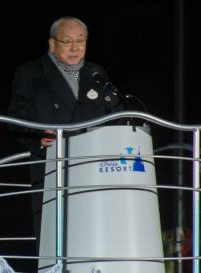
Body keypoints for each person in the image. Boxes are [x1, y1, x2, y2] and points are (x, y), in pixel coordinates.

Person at [7, 16, 122, 243]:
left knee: (93, 235)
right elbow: (17, 118)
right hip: (52, 166)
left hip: (93, 168)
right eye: (67, 41)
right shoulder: (31, 73)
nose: (75, 48)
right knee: (56, 236)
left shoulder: (96, 73)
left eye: (80, 41)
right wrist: (38, 139)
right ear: (52, 44)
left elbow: (114, 113)